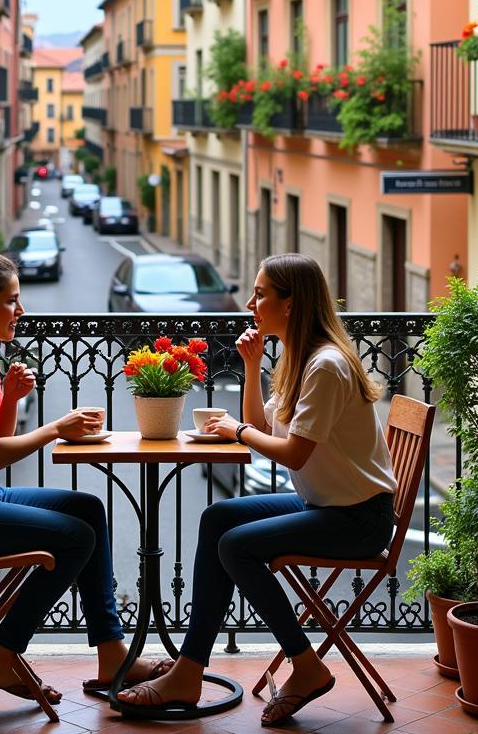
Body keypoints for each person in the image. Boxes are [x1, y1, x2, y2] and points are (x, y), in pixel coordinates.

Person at [118, 253, 397, 727]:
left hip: (359, 518)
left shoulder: (326, 366)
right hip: (329, 504)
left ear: (291, 304)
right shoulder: (302, 357)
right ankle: (189, 669)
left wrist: (238, 434)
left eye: (261, 293)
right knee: (218, 518)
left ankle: (306, 667)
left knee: (237, 546)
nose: (250, 303)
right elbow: (261, 422)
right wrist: (252, 366)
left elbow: (291, 453)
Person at [0, 245, 170, 705]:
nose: (20, 310)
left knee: (87, 510)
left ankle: (110, 653)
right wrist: (54, 429)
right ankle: (1, 655)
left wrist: (8, 397)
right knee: (76, 537)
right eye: (11, 301)